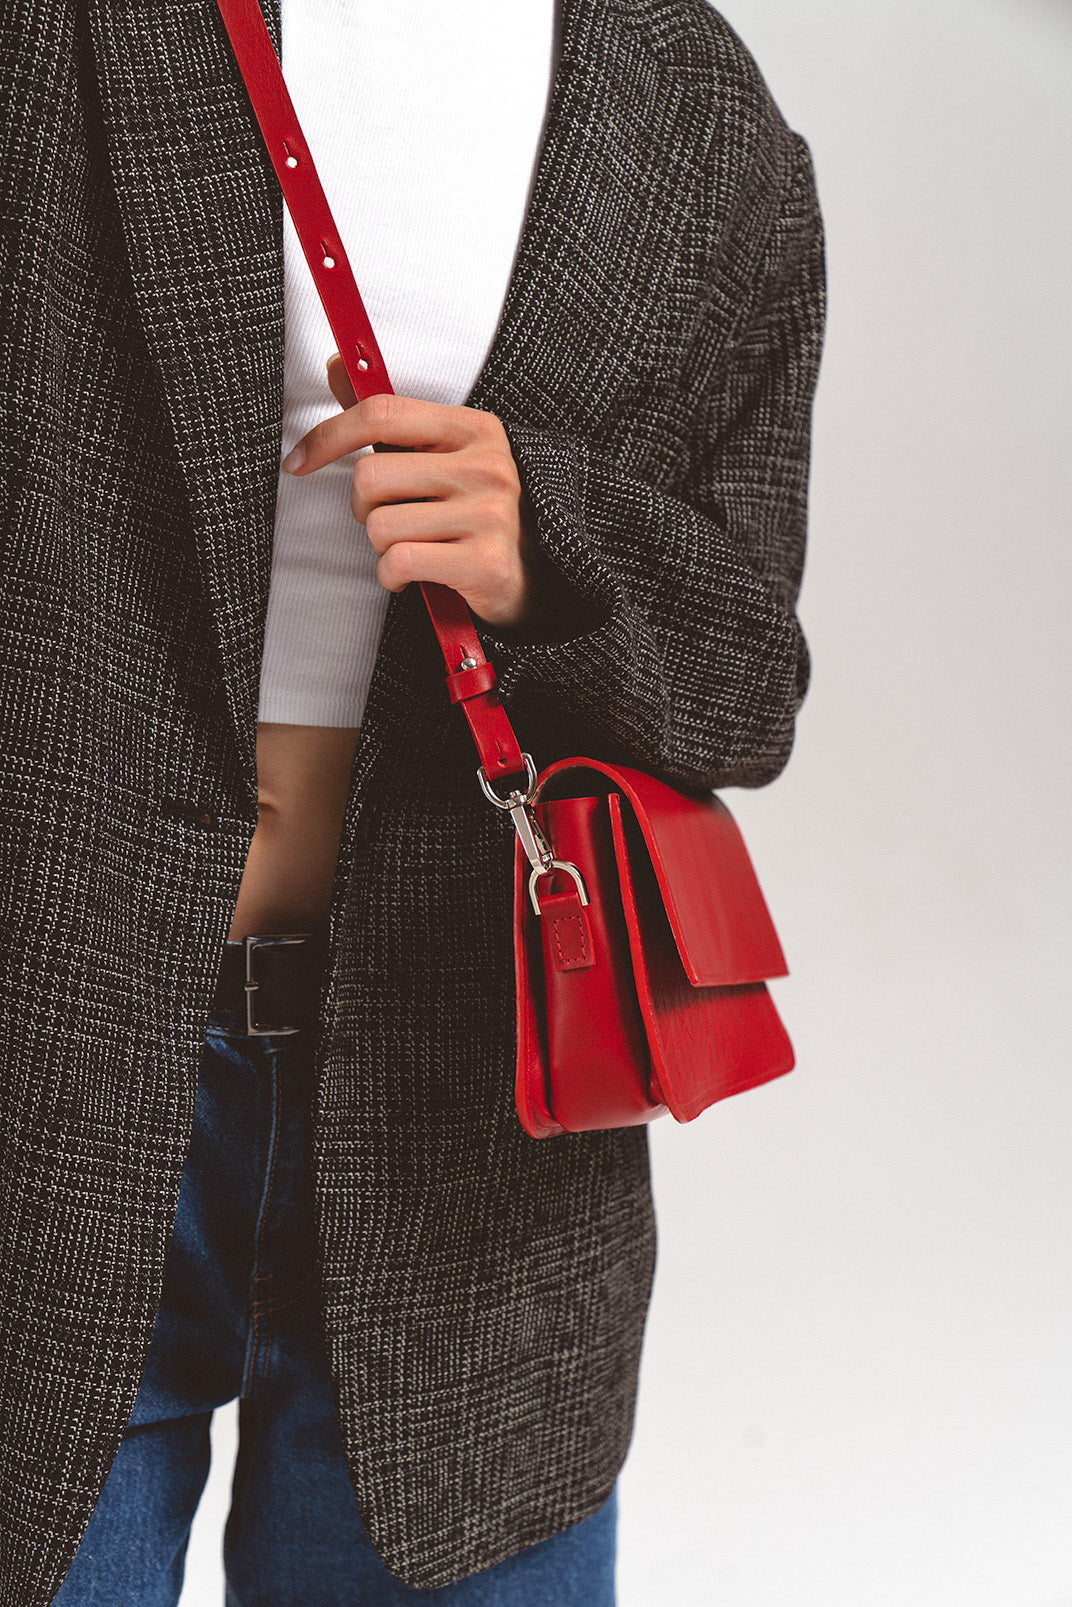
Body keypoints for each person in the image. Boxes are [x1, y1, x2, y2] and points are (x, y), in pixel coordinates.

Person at [0, 0, 826, 1600]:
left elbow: (747, 684)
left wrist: (550, 548)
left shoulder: (693, 107)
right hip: (52, 1059)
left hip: (474, 1112)